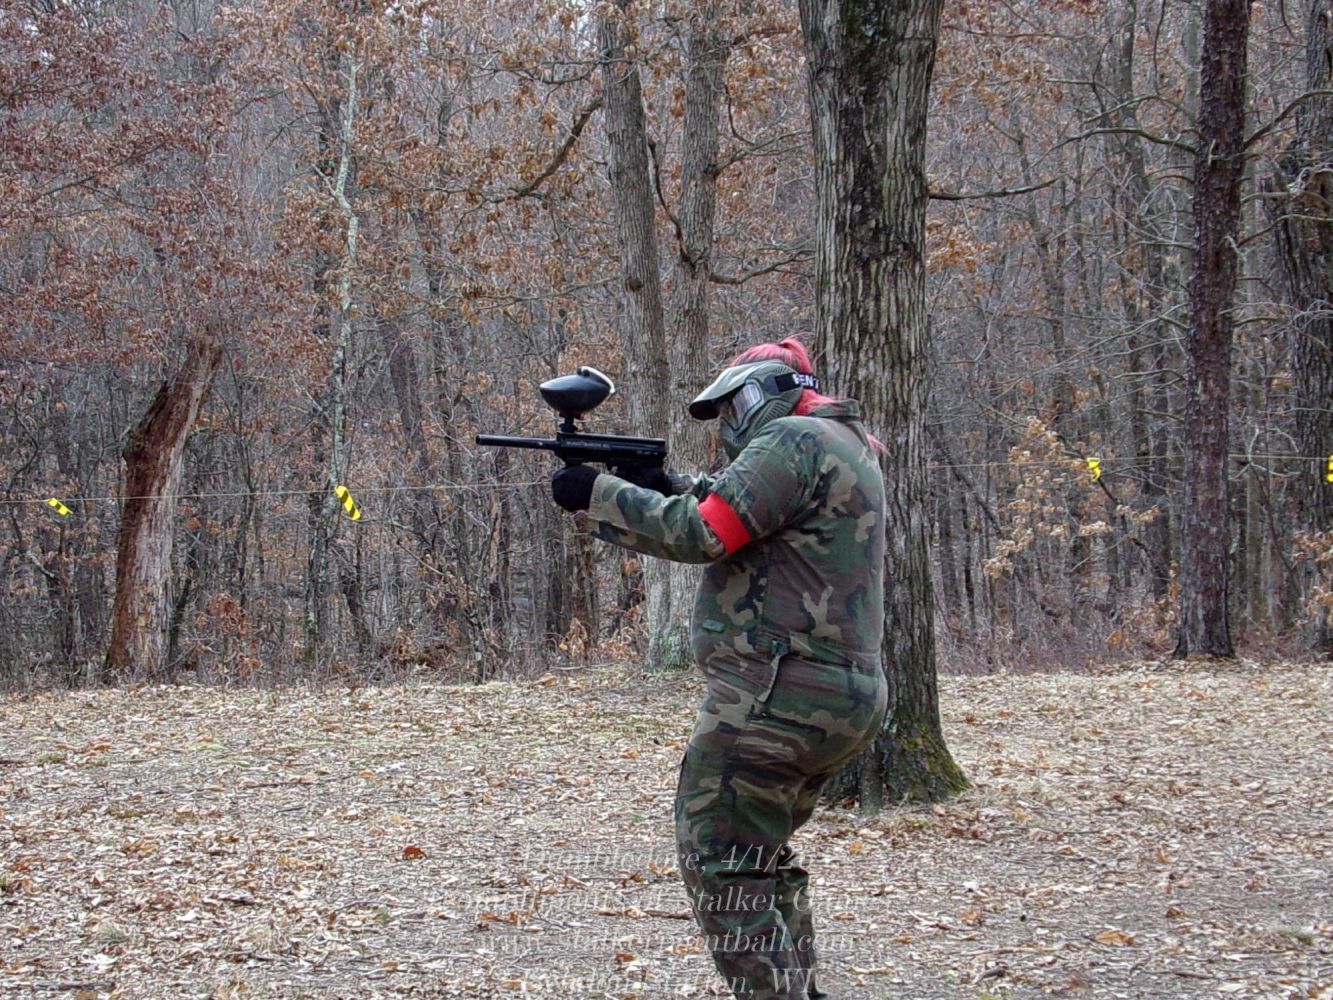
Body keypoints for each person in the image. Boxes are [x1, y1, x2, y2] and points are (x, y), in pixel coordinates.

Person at [548, 337, 888, 1000]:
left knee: (722, 861)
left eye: (732, 408)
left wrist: (598, 493)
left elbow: (705, 533)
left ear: (762, 393)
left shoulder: (793, 438)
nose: (729, 424)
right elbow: (739, 515)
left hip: (777, 692)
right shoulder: (842, 441)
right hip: (837, 694)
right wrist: (662, 488)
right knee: (760, 859)